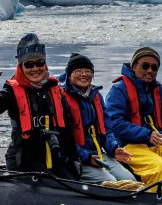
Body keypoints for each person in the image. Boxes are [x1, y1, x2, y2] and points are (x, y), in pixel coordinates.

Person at [0, 33, 82, 179]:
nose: (35, 68)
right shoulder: (12, 91)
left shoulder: (55, 90)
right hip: (24, 158)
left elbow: (67, 127)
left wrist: (74, 158)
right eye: (29, 64)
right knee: (52, 186)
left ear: (45, 64)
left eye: (39, 63)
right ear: (21, 67)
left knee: (71, 183)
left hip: (52, 155)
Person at [106, 46, 162, 190]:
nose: (150, 70)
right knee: (159, 169)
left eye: (154, 67)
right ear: (134, 66)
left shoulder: (158, 89)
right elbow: (115, 123)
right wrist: (146, 134)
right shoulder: (118, 89)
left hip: (155, 144)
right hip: (128, 145)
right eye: (145, 66)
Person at [58, 52, 137, 183]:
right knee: (109, 182)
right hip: (76, 157)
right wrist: (86, 157)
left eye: (88, 71)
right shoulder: (61, 98)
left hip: (99, 154)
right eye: (78, 71)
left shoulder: (96, 96)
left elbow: (107, 129)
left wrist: (113, 148)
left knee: (129, 180)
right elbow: (64, 139)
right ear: (69, 75)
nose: (84, 74)